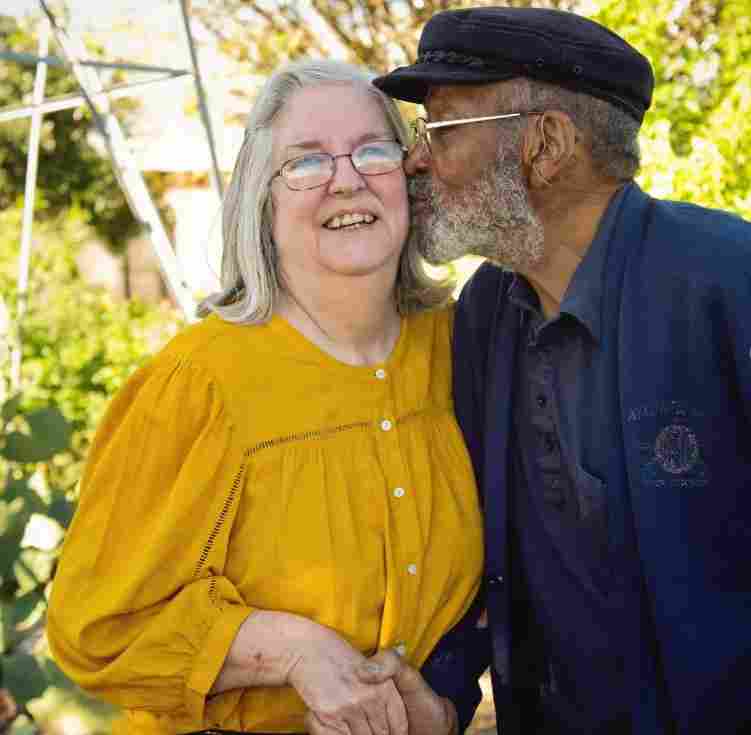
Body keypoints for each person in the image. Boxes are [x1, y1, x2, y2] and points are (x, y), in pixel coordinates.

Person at [46, 59, 485, 735]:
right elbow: (94, 629)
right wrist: (288, 648)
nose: (347, 178)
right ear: (263, 200)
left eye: (373, 150)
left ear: (409, 174)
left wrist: (441, 707)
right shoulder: (200, 382)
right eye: (306, 163)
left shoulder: (460, 348)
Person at [366, 5, 751, 735]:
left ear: (544, 145)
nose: (415, 160)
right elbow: (488, 550)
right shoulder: (485, 310)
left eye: (440, 130)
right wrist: (442, 691)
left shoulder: (729, 285)